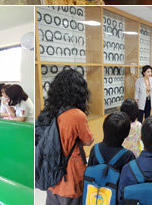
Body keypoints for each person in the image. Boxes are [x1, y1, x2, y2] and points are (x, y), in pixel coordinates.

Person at [35, 68, 93, 204]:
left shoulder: (49, 111)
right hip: (70, 176)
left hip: (51, 174)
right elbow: (88, 140)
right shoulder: (77, 115)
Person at [86, 112, 135, 197]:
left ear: (103, 128)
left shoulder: (95, 149)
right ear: (126, 134)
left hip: (96, 197)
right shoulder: (128, 156)